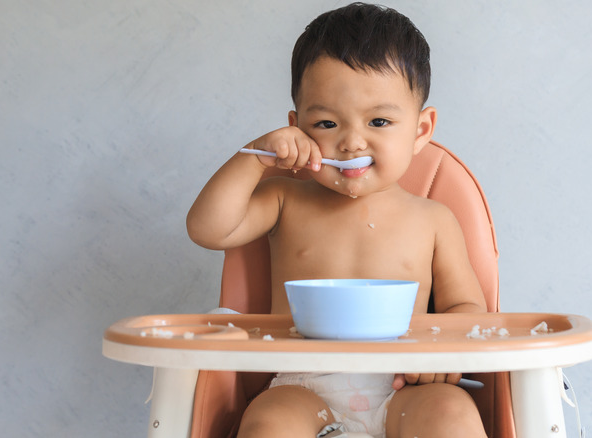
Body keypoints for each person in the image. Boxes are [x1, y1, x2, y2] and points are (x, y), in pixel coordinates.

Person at [187, 3, 487, 437]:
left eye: (379, 121)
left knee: (452, 414)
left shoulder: (434, 219)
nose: (350, 141)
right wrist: (256, 157)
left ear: (421, 130)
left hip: (403, 388)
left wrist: (442, 355)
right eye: (326, 122)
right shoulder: (283, 197)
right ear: (297, 128)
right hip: (301, 385)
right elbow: (207, 229)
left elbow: (467, 308)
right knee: (269, 422)